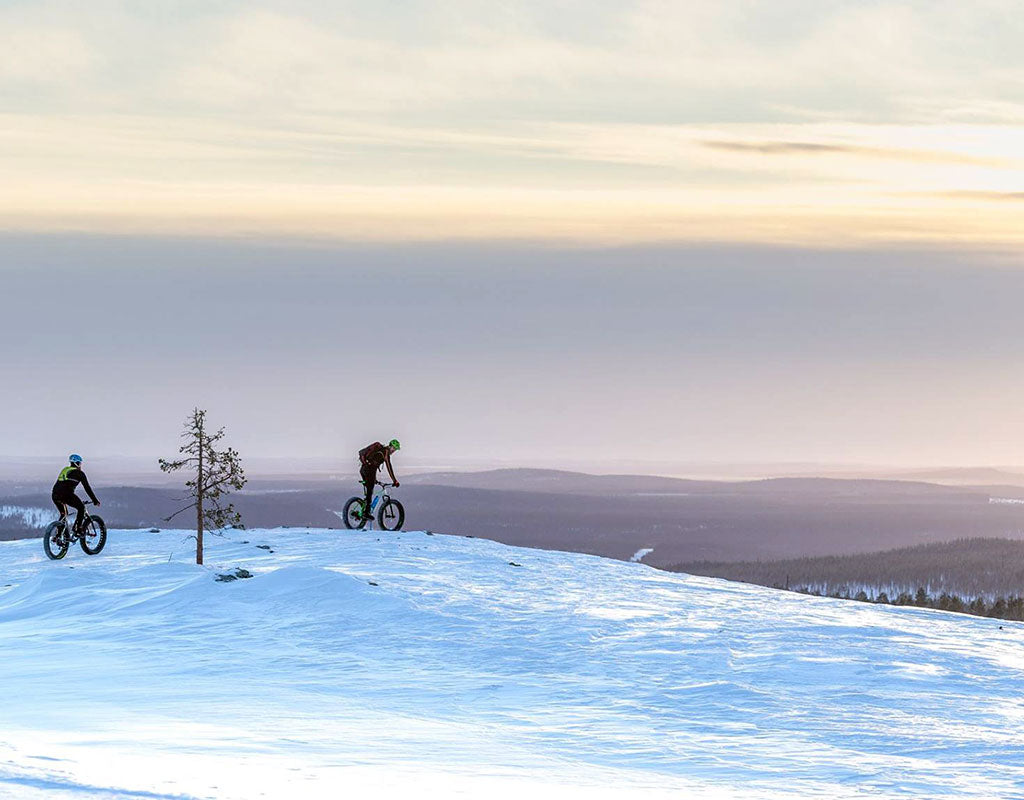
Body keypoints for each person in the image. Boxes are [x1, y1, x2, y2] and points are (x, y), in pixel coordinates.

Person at [52, 454, 100, 534]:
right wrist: (94, 500)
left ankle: (58, 535)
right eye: (80, 463)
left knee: (63, 514)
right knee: (81, 508)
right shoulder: (80, 473)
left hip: (55, 495)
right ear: (77, 463)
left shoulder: (65, 470)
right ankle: (78, 529)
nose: (80, 465)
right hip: (67, 495)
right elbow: (87, 488)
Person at [357, 439, 400, 519]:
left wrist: (374, 479)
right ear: (390, 446)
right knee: (370, 490)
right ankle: (366, 513)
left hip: (364, 469)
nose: (394, 451)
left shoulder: (380, 451)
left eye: (395, 449)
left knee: (369, 489)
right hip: (369, 471)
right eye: (394, 448)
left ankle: (364, 508)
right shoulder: (385, 453)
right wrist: (395, 480)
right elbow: (389, 468)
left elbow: (373, 465)